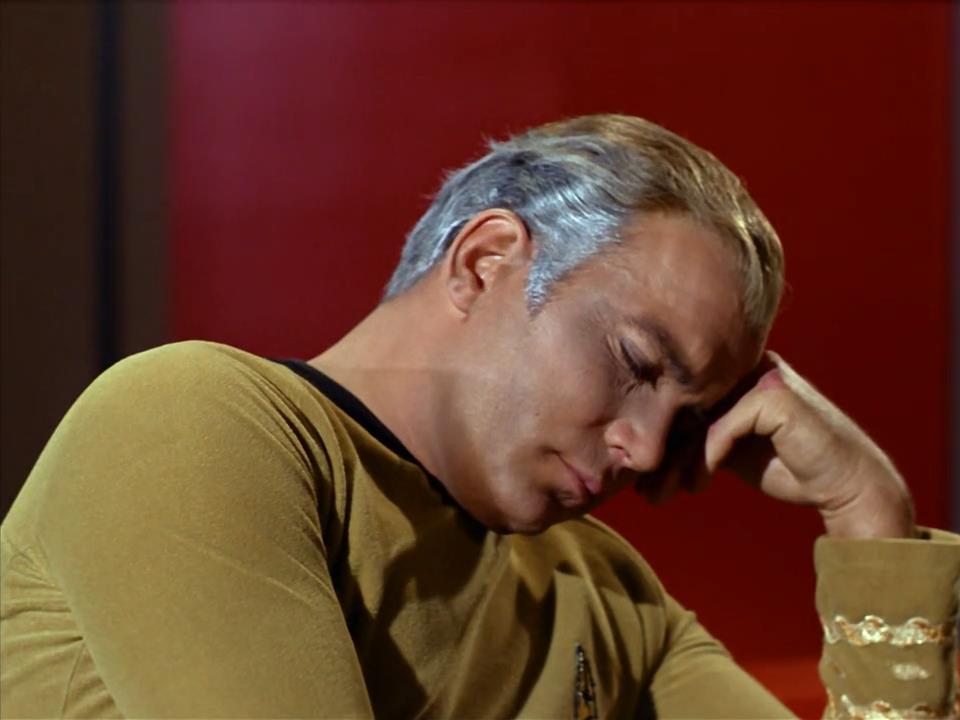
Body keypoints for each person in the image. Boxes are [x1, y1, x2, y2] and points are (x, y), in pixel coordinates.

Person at [1, 114, 957, 719]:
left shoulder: (607, 596)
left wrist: (869, 513)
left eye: (690, 416)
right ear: (485, 261)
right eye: (635, 363)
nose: (644, 450)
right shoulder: (200, 421)